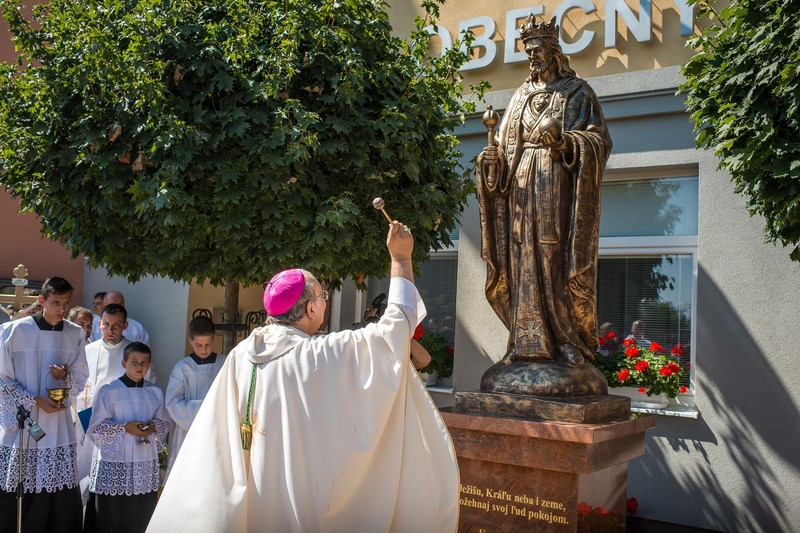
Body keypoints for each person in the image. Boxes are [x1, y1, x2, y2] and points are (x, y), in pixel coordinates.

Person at [148, 221, 459, 532]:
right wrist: (401, 259)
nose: (325, 301)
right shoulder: (319, 355)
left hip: (256, 499)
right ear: (311, 309)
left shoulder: (241, 356)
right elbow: (397, 325)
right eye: (323, 296)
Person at [476, 14, 612, 368]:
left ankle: (566, 341)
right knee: (521, 262)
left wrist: (566, 141)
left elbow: (599, 140)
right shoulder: (520, 96)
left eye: (537, 50)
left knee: (553, 261)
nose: (532, 57)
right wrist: (491, 162)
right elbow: (505, 155)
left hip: (556, 188)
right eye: (528, 51)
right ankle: (521, 343)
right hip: (521, 189)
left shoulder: (578, 92)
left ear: (553, 51)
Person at [0, 276, 89, 533]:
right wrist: (34, 400)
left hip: (57, 422)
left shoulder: (75, 334)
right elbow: (3, 379)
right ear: (42, 301)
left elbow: (81, 374)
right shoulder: (14, 332)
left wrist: (66, 378)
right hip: (24, 421)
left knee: (56, 488)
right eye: (56, 302)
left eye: (66, 303)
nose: (62, 309)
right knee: (20, 486)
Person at [77, 304, 155, 512]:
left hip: (123, 429)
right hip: (88, 422)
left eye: (116, 325)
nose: (110, 330)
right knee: (84, 475)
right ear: (99, 324)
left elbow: (145, 387)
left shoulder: (133, 352)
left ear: (125, 326)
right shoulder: (87, 350)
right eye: (106, 325)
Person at [86, 342, 169, 533]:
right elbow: (95, 428)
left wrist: (154, 426)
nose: (139, 367)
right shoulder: (109, 391)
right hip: (116, 461)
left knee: (140, 515)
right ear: (124, 363)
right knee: (114, 516)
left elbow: (164, 422)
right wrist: (125, 428)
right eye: (134, 362)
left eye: (144, 363)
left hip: (143, 462)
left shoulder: (154, 392)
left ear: (149, 365)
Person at [164, 315, 225, 478]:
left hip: (218, 427)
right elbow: (172, 402)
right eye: (199, 345)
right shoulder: (182, 367)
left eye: (208, 344)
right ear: (190, 340)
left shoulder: (224, 364)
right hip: (188, 430)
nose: (204, 349)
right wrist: (205, 410)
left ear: (214, 339)